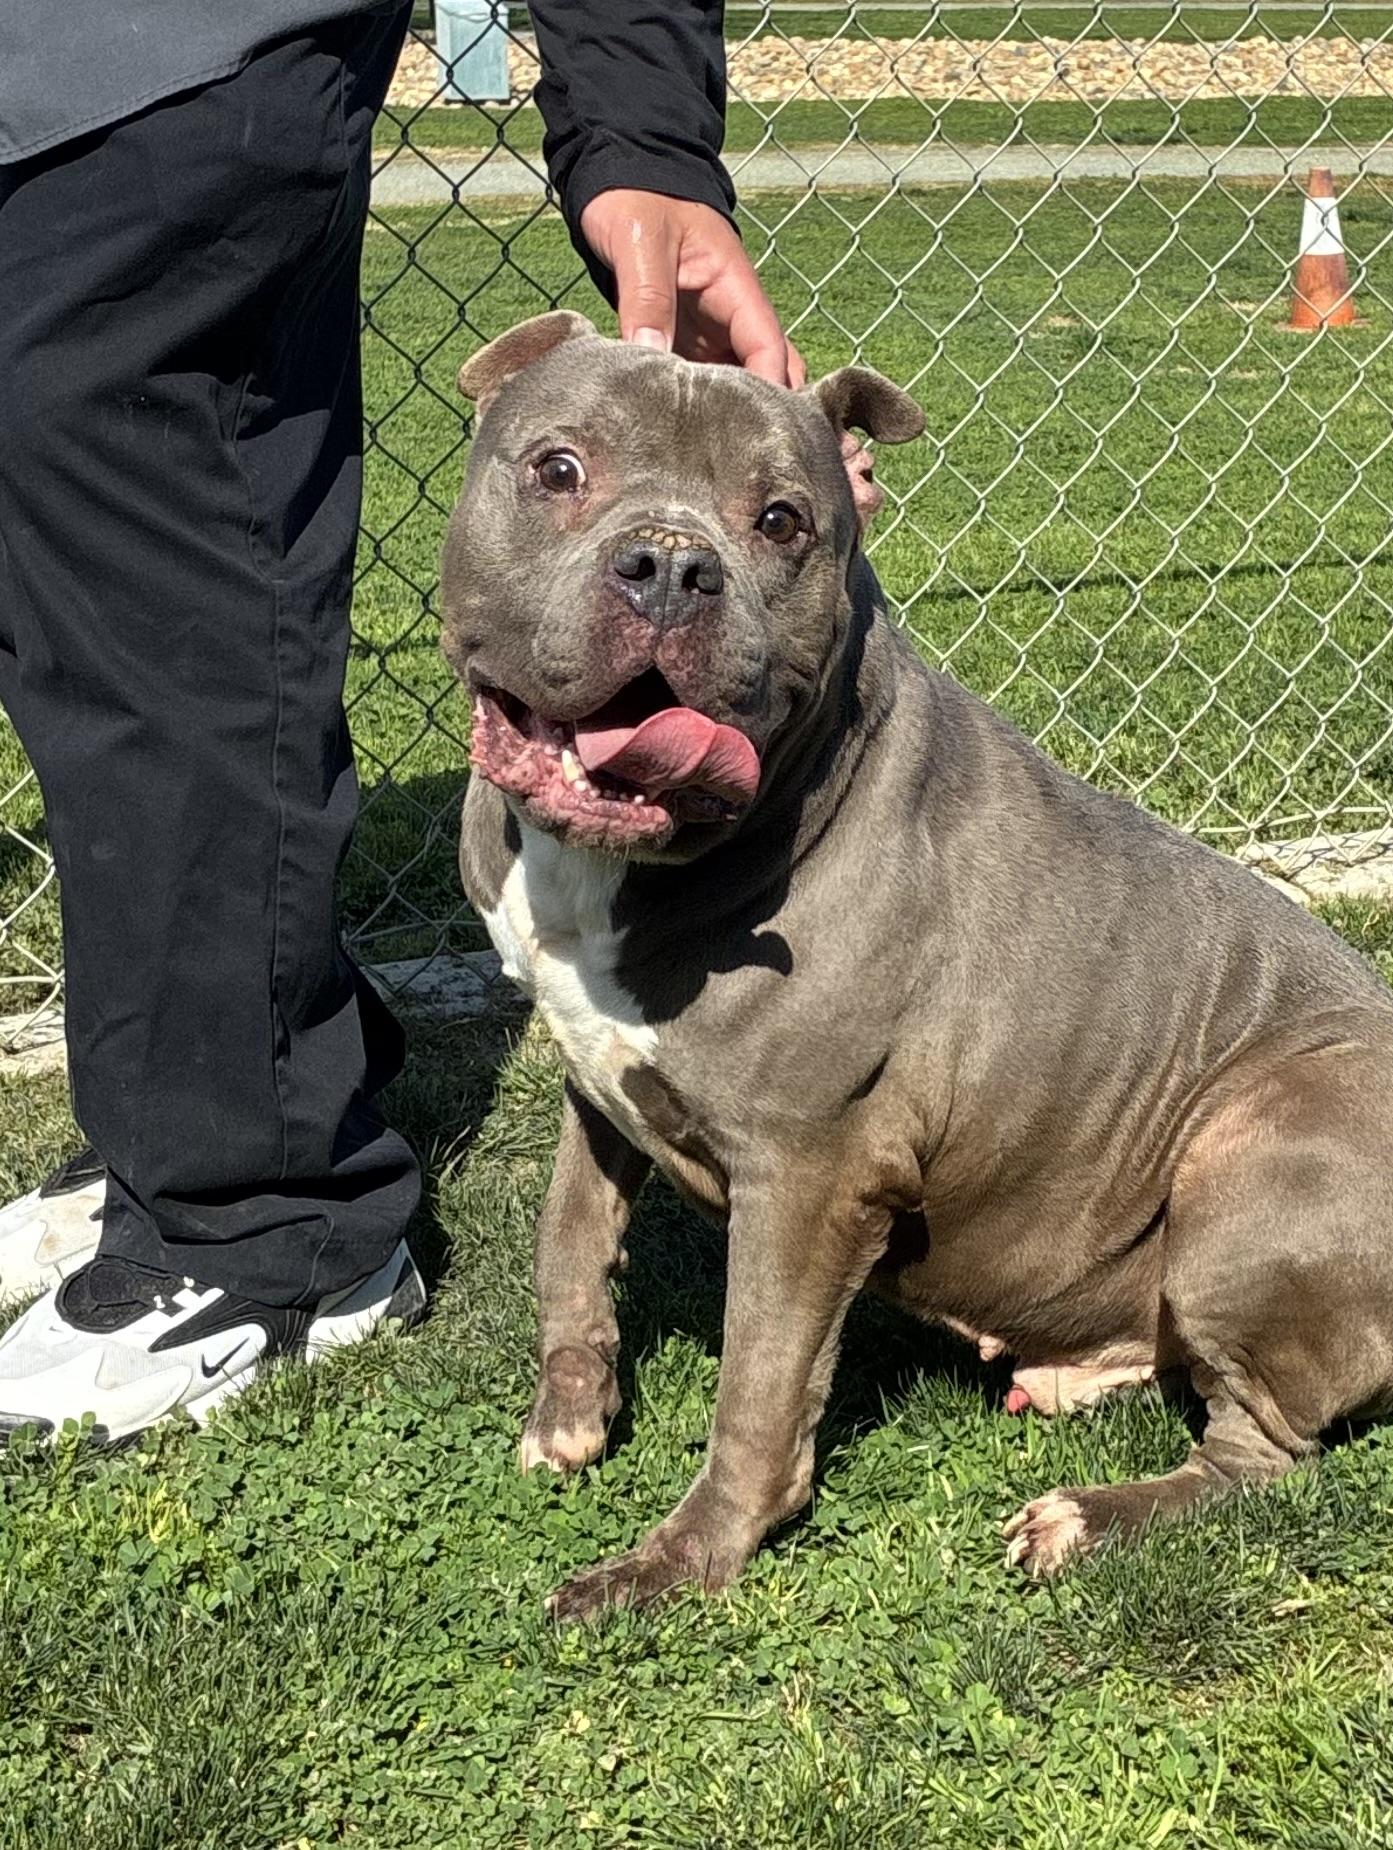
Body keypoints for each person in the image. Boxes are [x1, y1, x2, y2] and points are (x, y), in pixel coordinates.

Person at [0, 0, 797, 1439]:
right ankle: (195, 1116)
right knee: (63, 593)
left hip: (173, 62)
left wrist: (641, 128)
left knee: (153, 559)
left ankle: (266, 1224)